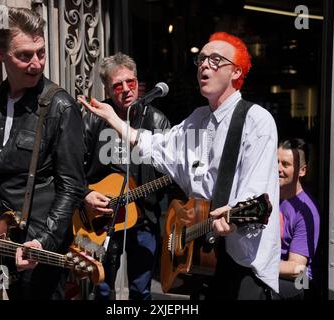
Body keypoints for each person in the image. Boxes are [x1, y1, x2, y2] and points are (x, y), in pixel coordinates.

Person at [78, 31, 280, 300]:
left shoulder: (255, 120)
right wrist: (115, 120)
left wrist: (235, 218)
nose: (205, 65)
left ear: (236, 72)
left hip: (242, 262)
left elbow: (257, 189)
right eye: (202, 60)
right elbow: (157, 147)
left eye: (216, 60)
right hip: (202, 258)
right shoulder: (196, 120)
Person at [0, 7, 85, 300]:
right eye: (25, 55)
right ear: (2, 54)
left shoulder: (60, 107)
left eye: (40, 52)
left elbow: (72, 187)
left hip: (39, 253)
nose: (37, 63)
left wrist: (44, 240)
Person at [82, 52, 171, 300]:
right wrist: (86, 195)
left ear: (138, 82)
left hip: (143, 220)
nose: (125, 90)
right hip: (99, 221)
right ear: (108, 90)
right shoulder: (92, 119)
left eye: (130, 82)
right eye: (117, 85)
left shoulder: (157, 121)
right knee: (100, 288)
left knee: (141, 291)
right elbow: (72, 167)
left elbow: (170, 172)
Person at [278, 138, 320, 299]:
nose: (278, 168)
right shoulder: (269, 195)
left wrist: (259, 264)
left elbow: (297, 268)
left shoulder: (307, 211)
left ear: (302, 171)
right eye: (276, 161)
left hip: (301, 280)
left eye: (285, 164)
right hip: (271, 269)